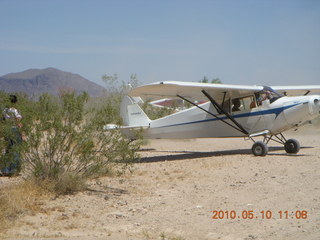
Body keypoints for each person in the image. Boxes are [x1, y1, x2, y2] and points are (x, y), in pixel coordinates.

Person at [0, 95, 23, 176]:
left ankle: (5, 169)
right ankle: (13, 170)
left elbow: (2, 120)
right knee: (15, 149)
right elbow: (18, 123)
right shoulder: (15, 111)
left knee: (8, 149)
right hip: (14, 130)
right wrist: (22, 133)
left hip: (7, 130)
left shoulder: (5, 111)